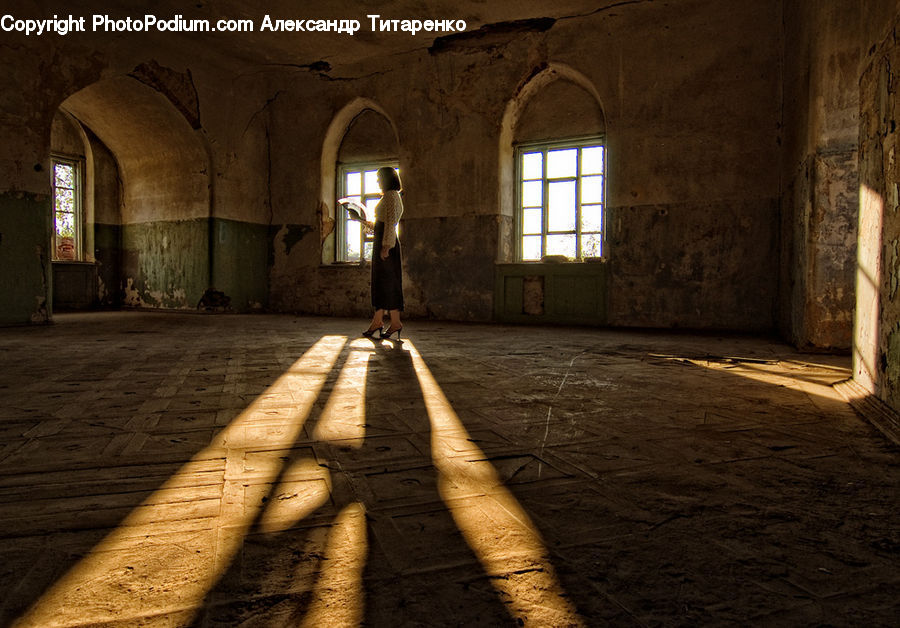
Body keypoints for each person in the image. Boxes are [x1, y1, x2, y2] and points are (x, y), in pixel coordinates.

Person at [362, 166, 404, 340]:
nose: (378, 181)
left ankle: (387, 322)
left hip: (387, 244)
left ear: (387, 178)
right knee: (383, 283)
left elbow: (391, 224)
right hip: (383, 241)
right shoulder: (390, 196)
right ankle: (384, 321)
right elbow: (382, 223)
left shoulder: (391, 196)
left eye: (379, 178)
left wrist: (386, 246)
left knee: (387, 283)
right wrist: (365, 222)